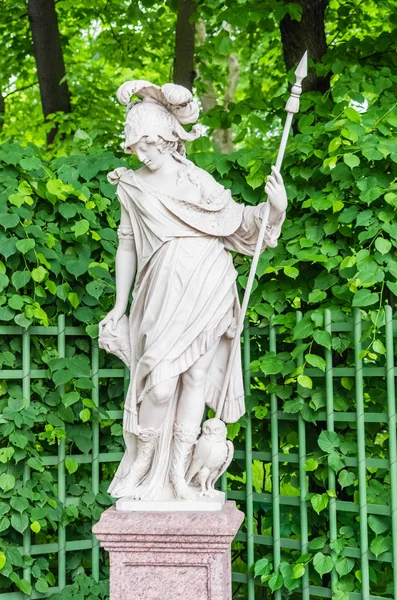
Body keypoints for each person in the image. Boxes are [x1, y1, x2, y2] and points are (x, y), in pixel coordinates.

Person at [99, 80, 287, 501]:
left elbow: (242, 223)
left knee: (197, 376)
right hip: (161, 287)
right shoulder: (131, 186)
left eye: (148, 144)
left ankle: (181, 474)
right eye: (135, 146)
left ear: (169, 139)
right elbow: (126, 244)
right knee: (161, 384)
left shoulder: (199, 182)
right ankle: (144, 465)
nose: (141, 153)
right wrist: (118, 304)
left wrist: (276, 209)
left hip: (209, 279)